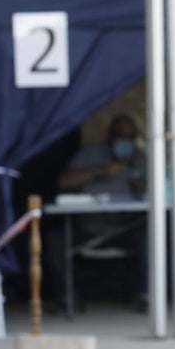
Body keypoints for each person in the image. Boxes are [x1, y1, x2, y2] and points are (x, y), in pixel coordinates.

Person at [53, 113, 148, 306]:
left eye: (129, 138)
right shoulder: (90, 153)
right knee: (55, 237)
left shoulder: (139, 158)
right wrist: (100, 172)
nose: (125, 142)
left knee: (154, 235)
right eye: (120, 137)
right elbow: (64, 182)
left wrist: (138, 184)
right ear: (110, 136)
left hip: (125, 226)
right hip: (88, 226)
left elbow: (154, 192)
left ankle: (146, 294)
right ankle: (67, 297)